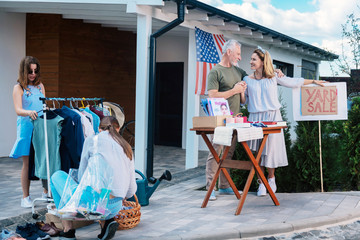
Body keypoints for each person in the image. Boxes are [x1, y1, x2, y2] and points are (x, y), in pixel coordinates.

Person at [242, 47, 327, 197]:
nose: (250, 62)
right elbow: (244, 101)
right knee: (257, 153)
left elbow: (292, 82)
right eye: (251, 59)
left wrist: (313, 81)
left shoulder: (274, 76)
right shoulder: (247, 80)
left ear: (262, 62)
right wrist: (240, 91)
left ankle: (271, 179)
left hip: (273, 117)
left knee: (271, 151)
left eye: (254, 59)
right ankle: (261, 183)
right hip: (255, 118)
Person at [50, 116, 137, 240]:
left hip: (92, 205)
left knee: (56, 176)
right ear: (118, 129)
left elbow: (82, 175)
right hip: (116, 206)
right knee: (105, 189)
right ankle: (107, 221)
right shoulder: (126, 147)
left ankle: (68, 230)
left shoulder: (93, 140)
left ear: (99, 129)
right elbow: (131, 188)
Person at [206, 39, 248, 200]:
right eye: (237, 53)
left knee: (228, 155)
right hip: (219, 121)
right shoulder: (215, 71)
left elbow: (253, 79)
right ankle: (210, 188)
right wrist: (234, 90)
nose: (240, 57)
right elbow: (212, 95)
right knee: (215, 153)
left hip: (235, 121)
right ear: (228, 52)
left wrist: (275, 72)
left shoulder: (239, 71)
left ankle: (224, 186)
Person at [9, 56, 47, 208]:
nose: (33, 74)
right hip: (26, 126)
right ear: (24, 71)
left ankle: (45, 192)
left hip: (41, 125)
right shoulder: (18, 88)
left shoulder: (40, 86)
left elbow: (44, 105)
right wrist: (29, 112)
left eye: (35, 71)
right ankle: (25, 197)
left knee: (44, 159)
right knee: (27, 162)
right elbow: (18, 109)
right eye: (30, 71)